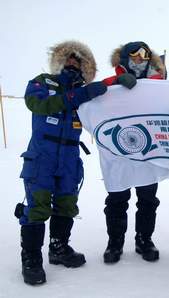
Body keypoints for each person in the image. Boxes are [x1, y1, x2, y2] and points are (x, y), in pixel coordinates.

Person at [17, 40, 107, 285]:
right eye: (68, 58)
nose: (72, 63)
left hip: (69, 159)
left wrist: (117, 85)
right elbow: (37, 104)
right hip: (42, 157)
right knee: (38, 207)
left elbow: (108, 110)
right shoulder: (43, 82)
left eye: (78, 61)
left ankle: (58, 248)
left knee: (67, 205)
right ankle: (31, 258)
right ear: (59, 60)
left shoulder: (86, 94)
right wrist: (77, 94)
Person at [101, 41, 166, 264]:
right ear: (125, 59)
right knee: (117, 197)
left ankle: (144, 239)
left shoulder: (159, 84)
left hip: (148, 150)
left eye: (144, 56)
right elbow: (93, 95)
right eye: (134, 56)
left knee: (147, 198)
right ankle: (115, 242)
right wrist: (115, 82)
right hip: (119, 148)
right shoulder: (113, 84)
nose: (139, 60)